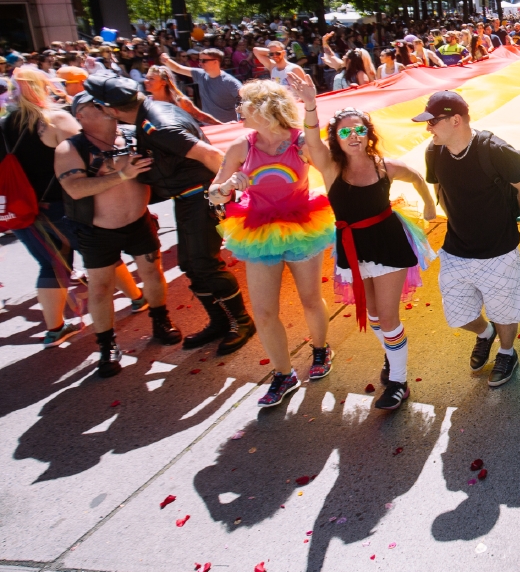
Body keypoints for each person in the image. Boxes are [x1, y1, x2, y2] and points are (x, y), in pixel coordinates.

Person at [289, 72, 436, 409]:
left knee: (387, 316)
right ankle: (391, 354)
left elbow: (415, 176)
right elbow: (311, 140)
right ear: (335, 138)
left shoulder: (384, 167)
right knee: (372, 315)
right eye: (345, 131)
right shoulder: (329, 168)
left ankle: (398, 382)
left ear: (369, 134)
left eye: (360, 130)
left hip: (388, 244)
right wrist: (310, 105)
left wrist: (429, 205)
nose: (353, 136)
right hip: (353, 248)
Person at [84, 72, 255, 354]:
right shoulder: (149, 113)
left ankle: (242, 322)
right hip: (187, 200)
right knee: (191, 264)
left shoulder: (158, 125)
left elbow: (211, 156)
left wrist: (229, 196)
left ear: (111, 109)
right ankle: (221, 321)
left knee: (203, 263)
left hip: (199, 199)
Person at [209, 81, 337, 406]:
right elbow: (213, 194)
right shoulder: (242, 145)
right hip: (258, 230)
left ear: (264, 108)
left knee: (310, 299)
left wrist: (310, 108)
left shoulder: (299, 142)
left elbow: (330, 167)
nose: (239, 112)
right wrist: (226, 187)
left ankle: (321, 349)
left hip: (301, 225)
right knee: (264, 313)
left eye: (245, 105)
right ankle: (283, 374)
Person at [417, 89, 520, 389]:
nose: (427, 128)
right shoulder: (434, 151)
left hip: (499, 251)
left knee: (505, 311)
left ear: (455, 120)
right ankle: (485, 334)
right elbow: (438, 188)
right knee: (457, 314)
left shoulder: (496, 150)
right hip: (456, 250)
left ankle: (507, 352)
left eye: (432, 121)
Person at [55, 93, 180, 377]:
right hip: (97, 230)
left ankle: (161, 322)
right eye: (94, 106)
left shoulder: (132, 134)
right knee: (101, 288)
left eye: (103, 102)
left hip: (139, 222)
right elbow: (74, 188)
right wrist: (121, 175)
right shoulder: (70, 149)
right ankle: (107, 345)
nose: (104, 107)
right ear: (80, 116)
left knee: (153, 272)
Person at [4, 67, 85, 346]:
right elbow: (86, 150)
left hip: (23, 207)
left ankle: (55, 330)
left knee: (50, 265)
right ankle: (138, 298)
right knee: (101, 253)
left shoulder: (5, 124)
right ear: (43, 86)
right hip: (61, 204)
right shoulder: (55, 119)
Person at [159, 47, 243, 122]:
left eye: (204, 61)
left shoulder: (229, 82)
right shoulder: (200, 74)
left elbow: (246, 97)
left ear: (215, 62)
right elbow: (178, 68)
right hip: (208, 126)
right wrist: (167, 60)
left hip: (228, 127)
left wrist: (242, 118)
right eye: (200, 60)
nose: (200, 63)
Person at [145, 66, 219, 126]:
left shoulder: (180, 101)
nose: (146, 81)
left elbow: (200, 116)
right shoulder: (146, 103)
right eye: (147, 78)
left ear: (163, 82)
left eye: (151, 79)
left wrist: (223, 125)